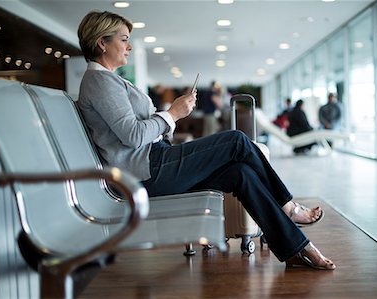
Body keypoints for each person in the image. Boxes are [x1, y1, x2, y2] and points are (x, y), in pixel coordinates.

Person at [77, 10, 335, 270]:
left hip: (153, 162)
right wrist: (172, 114)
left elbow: (138, 131)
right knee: (236, 140)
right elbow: (132, 136)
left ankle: (294, 248)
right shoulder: (100, 82)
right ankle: (288, 206)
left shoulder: (108, 80)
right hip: (146, 172)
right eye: (123, 39)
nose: (129, 46)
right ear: (102, 42)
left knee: (240, 173)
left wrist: (171, 116)